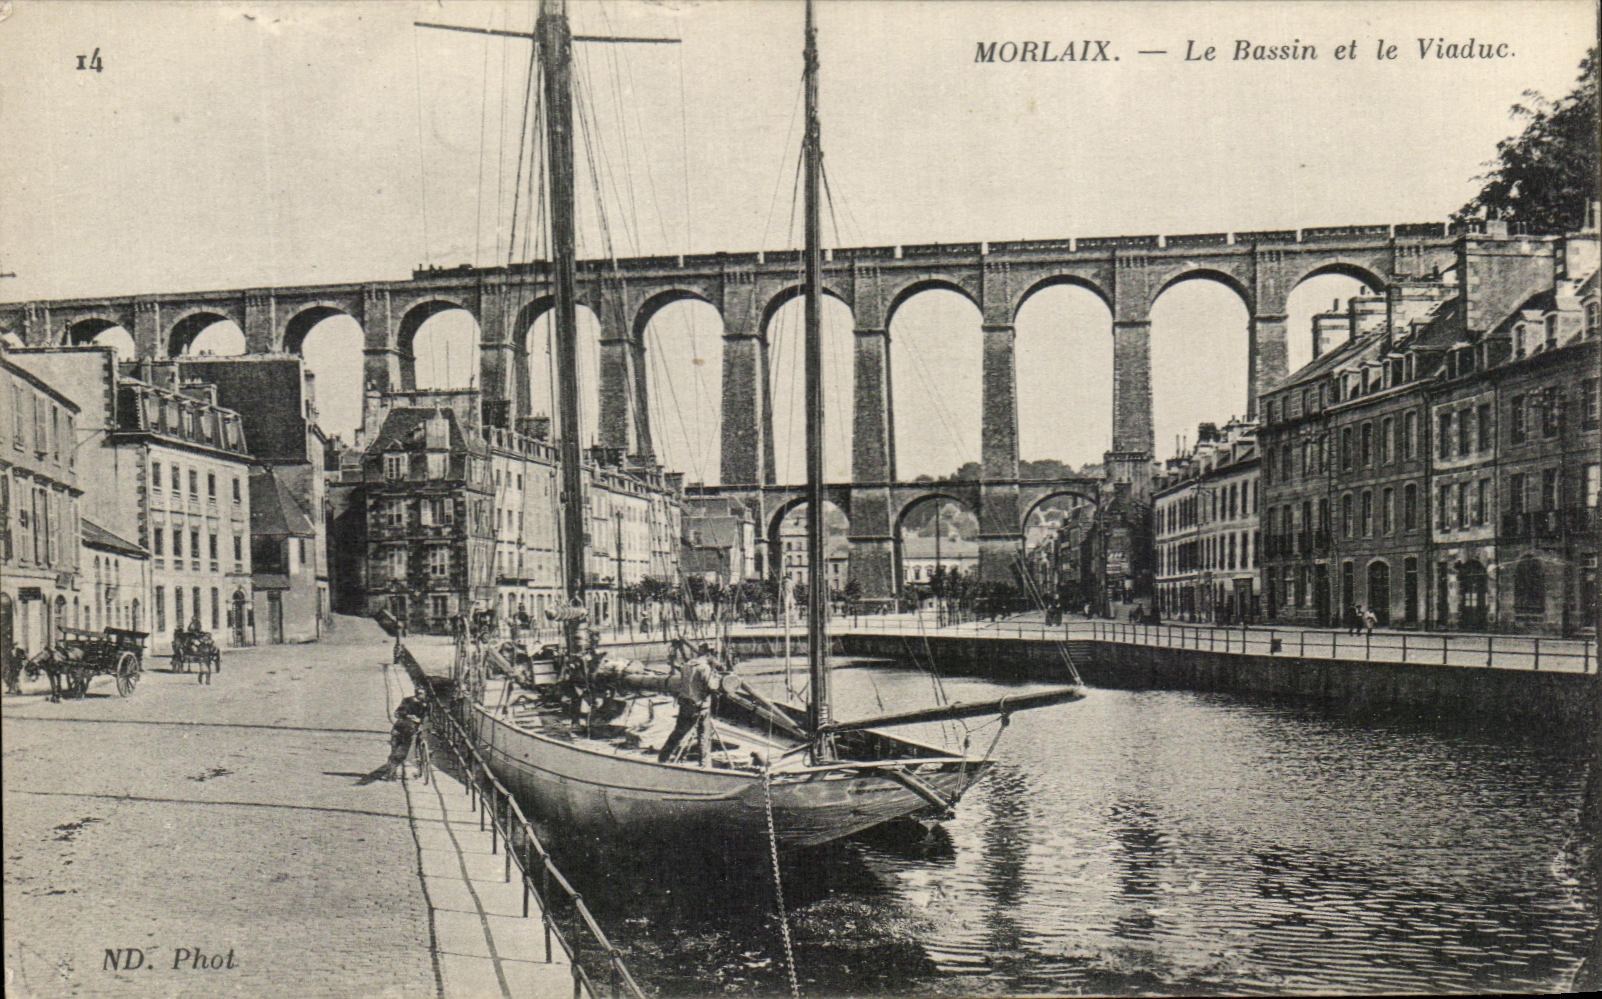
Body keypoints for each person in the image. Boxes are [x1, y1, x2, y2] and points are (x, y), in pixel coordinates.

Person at [657, 644, 720, 763]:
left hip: (685, 705)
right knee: (704, 736)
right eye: (713, 656)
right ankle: (704, 765)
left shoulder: (687, 665)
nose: (714, 659)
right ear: (708, 654)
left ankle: (662, 757)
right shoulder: (704, 667)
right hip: (700, 707)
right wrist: (716, 678)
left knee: (678, 733)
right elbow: (712, 686)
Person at [359, 688, 431, 784]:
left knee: (400, 752)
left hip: (410, 730)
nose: (420, 695)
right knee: (398, 750)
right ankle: (391, 773)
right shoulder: (408, 701)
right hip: (401, 729)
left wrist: (421, 723)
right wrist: (409, 716)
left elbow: (427, 718)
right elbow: (397, 713)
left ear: (425, 694)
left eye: (422, 693)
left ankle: (391, 773)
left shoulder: (426, 704)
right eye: (418, 693)